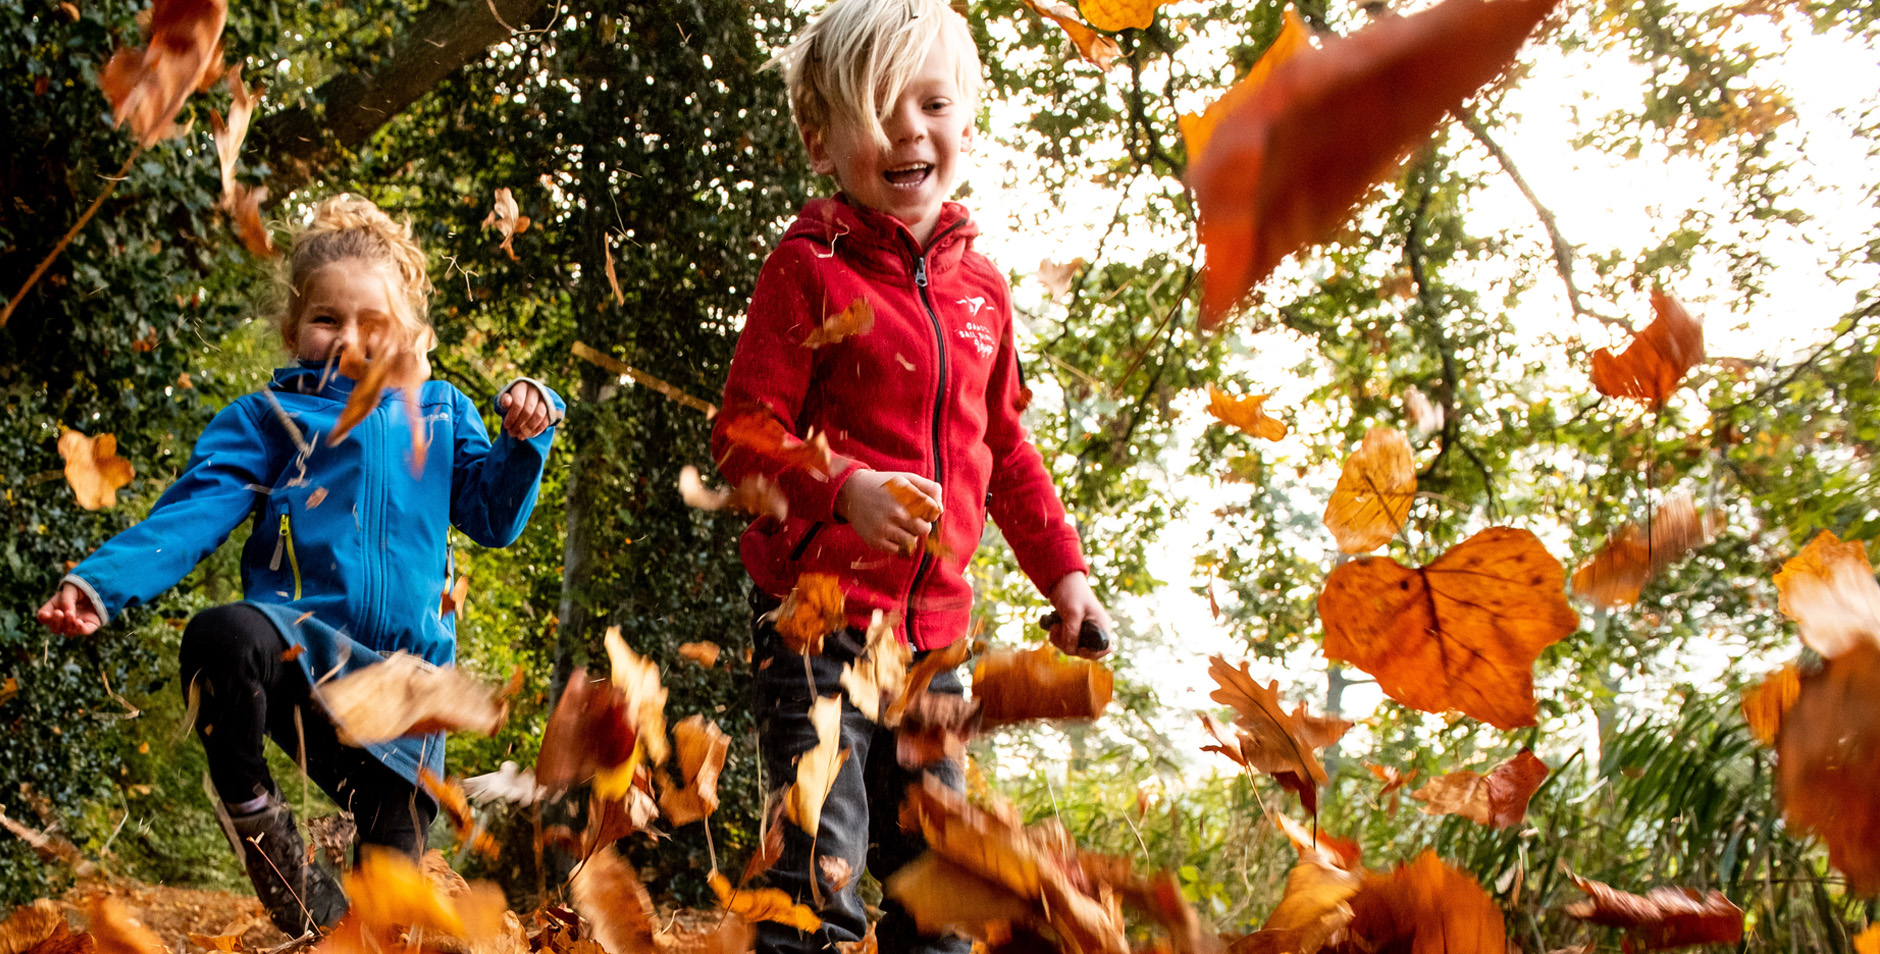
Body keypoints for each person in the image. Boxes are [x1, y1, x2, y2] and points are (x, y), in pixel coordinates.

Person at [36, 196, 563, 936]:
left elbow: (494, 517)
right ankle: (257, 819)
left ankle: (320, 917)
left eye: (373, 325)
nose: (349, 340)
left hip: (407, 700)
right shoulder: (268, 419)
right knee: (222, 636)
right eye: (326, 320)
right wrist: (99, 584)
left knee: (376, 927)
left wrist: (527, 433)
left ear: (409, 334)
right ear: (292, 330)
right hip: (303, 655)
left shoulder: (441, 413)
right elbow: (191, 513)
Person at [710, 0, 1113, 949]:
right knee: (822, 868)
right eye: (878, 107)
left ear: (966, 125)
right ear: (821, 141)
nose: (909, 128)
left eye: (932, 103)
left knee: (940, 889)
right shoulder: (808, 269)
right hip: (815, 626)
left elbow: (1004, 448)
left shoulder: (983, 291)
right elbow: (743, 433)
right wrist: (841, 482)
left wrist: (1067, 576)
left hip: (935, 646)